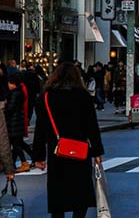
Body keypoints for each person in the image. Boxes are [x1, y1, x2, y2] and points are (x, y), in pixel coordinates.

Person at [32, 62, 105, 218]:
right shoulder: (83, 96)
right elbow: (92, 126)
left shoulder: (46, 97)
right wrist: (97, 151)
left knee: (58, 196)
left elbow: (40, 129)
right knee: (81, 194)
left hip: (56, 151)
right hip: (80, 151)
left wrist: (38, 156)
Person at [5, 73, 32, 172]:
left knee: (16, 144)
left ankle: (24, 163)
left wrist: (5, 109)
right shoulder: (19, 92)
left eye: (9, 83)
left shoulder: (14, 94)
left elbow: (10, 109)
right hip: (18, 122)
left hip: (14, 123)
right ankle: (32, 158)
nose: (8, 85)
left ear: (13, 84)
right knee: (18, 143)